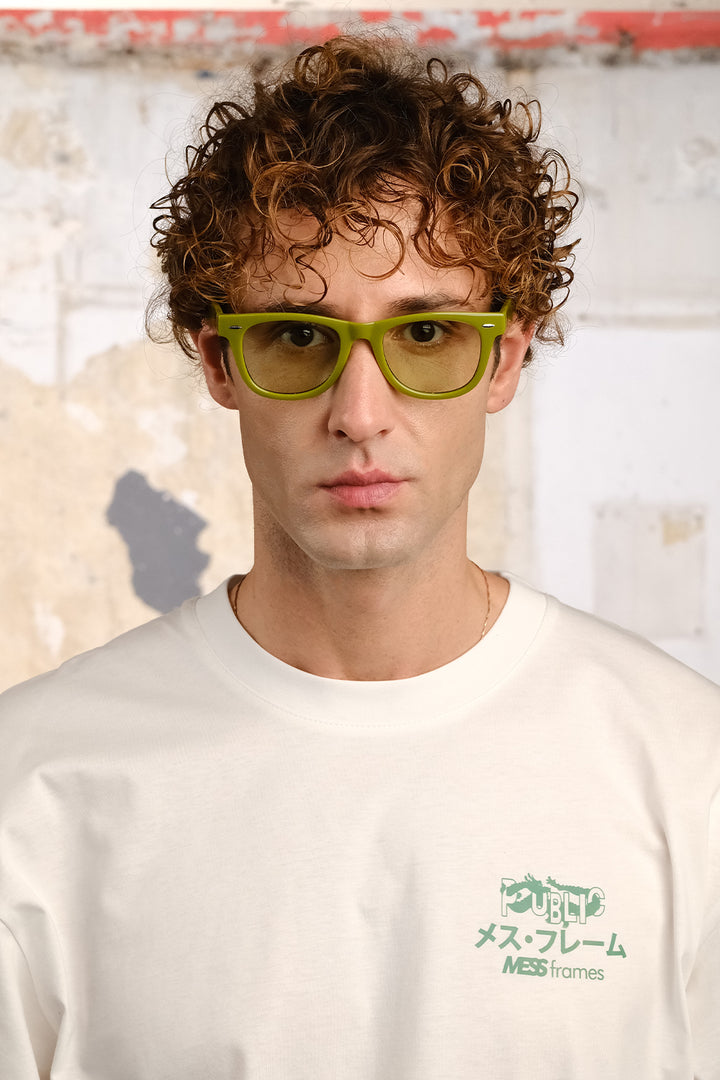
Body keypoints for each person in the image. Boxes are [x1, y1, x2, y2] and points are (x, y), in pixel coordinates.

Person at [1, 35, 718, 1080]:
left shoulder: (688, 768)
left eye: (424, 336)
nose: (360, 414)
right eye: (300, 337)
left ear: (504, 360)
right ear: (220, 361)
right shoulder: (32, 783)